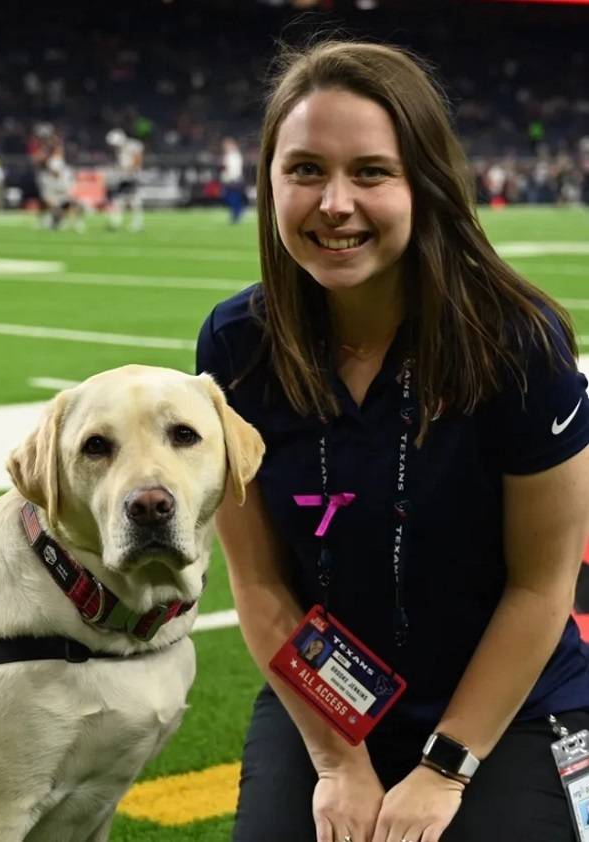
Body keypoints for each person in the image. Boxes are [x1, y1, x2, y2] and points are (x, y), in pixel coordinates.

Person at [196, 40, 589, 842]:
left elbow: (542, 588)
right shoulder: (237, 346)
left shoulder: (518, 343)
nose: (334, 203)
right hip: (328, 696)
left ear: (425, 184)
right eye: (305, 170)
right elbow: (263, 585)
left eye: (371, 172)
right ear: (269, 182)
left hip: (507, 703)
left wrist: (444, 771)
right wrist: (340, 762)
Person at [106, 128, 145, 232]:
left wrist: (131, 171)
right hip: (123, 176)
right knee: (120, 199)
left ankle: (136, 222)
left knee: (132, 200)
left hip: (132, 176)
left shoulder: (133, 145)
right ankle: (118, 221)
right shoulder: (119, 149)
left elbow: (138, 160)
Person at [221, 137, 246, 223]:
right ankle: (236, 213)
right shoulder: (229, 155)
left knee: (234, 198)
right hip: (230, 180)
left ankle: (236, 214)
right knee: (230, 197)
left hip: (234, 180)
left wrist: (233, 177)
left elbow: (235, 169)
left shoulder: (235, 156)